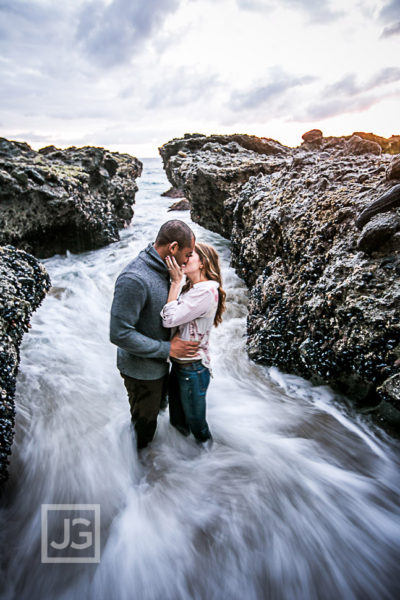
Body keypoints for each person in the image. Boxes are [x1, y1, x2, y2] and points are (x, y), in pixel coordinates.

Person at [109, 220, 200, 451]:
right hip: (141, 372)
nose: (188, 260)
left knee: (159, 409)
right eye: (187, 254)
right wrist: (168, 349)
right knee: (144, 425)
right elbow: (119, 334)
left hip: (161, 365)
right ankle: (140, 468)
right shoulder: (134, 279)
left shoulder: (168, 270)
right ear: (173, 248)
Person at [161, 242, 226, 446]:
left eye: (190, 255)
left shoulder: (205, 291)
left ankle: (211, 460)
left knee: (197, 425)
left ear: (203, 263)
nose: (184, 258)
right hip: (180, 366)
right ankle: (183, 460)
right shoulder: (192, 288)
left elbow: (169, 320)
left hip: (193, 369)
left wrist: (174, 283)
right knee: (178, 422)